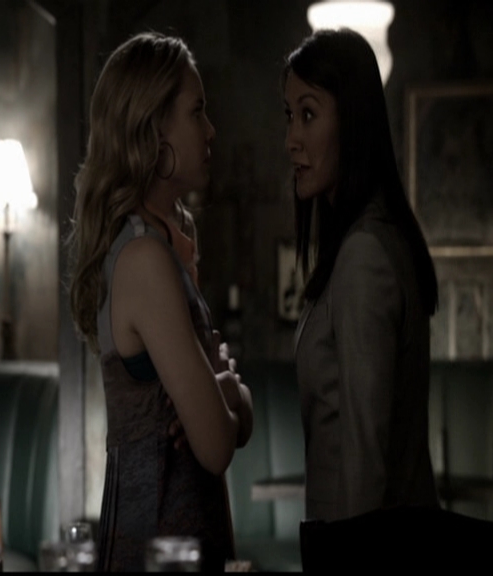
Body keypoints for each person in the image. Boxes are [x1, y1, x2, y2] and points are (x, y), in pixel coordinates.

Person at [68, 31, 253, 571]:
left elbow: (232, 422)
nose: (211, 129)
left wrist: (224, 391)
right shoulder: (144, 258)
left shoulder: (162, 249)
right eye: (197, 111)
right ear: (153, 129)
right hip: (157, 553)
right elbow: (217, 445)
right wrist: (226, 391)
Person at [283, 28, 440, 522]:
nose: (291, 140)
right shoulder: (368, 240)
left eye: (309, 114)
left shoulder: (364, 255)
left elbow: (364, 461)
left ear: (352, 121)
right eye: (290, 116)